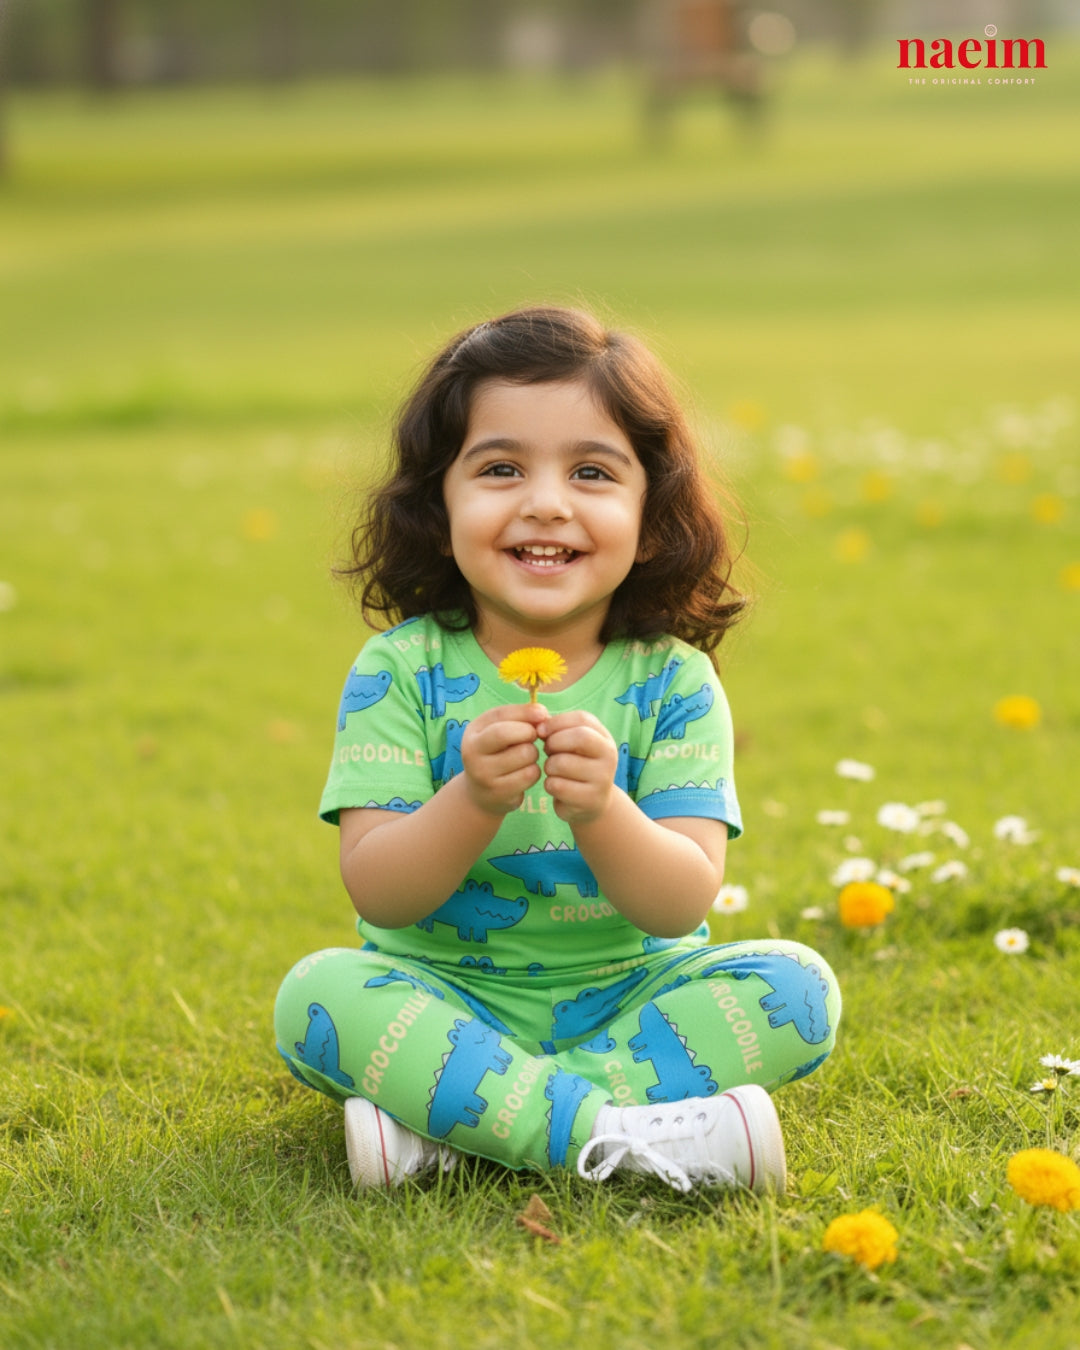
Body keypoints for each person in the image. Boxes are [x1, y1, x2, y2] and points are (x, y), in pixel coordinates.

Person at [274, 306, 841, 1193]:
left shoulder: (674, 683)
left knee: (800, 991)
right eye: (500, 468)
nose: (546, 501)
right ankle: (626, 1133)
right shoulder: (400, 670)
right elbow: (378, 888)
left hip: (632, 992)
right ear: (439, 505)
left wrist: (603, 811)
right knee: (317, 997)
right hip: (448, 994)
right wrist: (470, 800)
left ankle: (458, 1133)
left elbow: (680, 900)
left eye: (591, 471)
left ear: (651, 516)